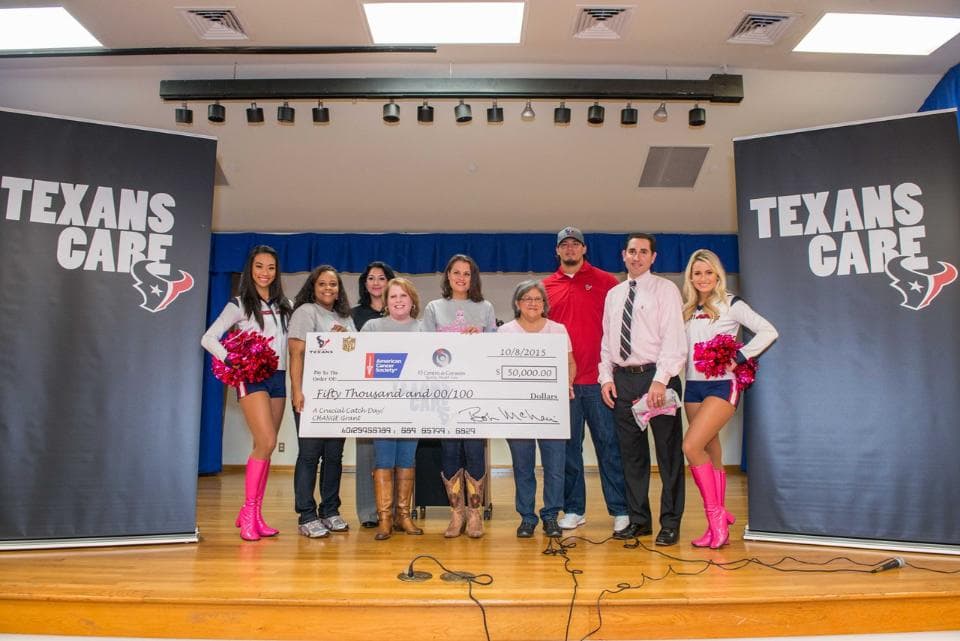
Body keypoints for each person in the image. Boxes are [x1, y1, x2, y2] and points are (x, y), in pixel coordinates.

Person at [681, 249, 778, 549]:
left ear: (718, 274)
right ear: (690, 277)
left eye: (708, 272)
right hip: (692, 388)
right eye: (697, 273)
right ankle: (715, 525)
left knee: (690, 446)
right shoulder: (685, 309)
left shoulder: (731, 303)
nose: (703, 278)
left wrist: (739, 355)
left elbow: (768, 331)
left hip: (722, 386)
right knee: (711, 453)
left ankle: (717, 517)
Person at [599, 233, 687, 546]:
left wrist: (661, 380)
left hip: (657, 380)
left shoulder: (665, 290)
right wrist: (605, 378)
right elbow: (608, 340)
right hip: (623, 380)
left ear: (653, 257)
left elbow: (675, 340)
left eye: (643, 252)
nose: (636, 257)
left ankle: (670, 523)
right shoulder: (614, 294)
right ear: (623, 255)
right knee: (631, 457)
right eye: (632, 251)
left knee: (668, 455)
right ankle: (639, 521)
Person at [201, 245, 292, 542]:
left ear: (276, 272)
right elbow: (208, 338)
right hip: (252, 378)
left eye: (270, 267)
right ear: (250, 270)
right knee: (266, 441)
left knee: (264, 445)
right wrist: (232, 360)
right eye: (259, 267)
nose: (265, 273)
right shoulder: (238, 305)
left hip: (278, 378)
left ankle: (254, 513)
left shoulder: (285, 305)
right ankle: (249, 513)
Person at [542, 227, 630, 534]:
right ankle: (575, 509)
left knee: (609, 446)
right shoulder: (545, 287)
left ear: (584, 249)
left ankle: (620, 509)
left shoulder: (607, 282)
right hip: (563, 384)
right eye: (564, 245)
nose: (569, 249)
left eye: (574, 244)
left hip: (600, 381)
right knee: (569, 450)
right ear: (557, 251)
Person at [421, 254, 497, 539]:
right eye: (456, 273)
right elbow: (425, 348)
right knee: (450, 450)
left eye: (467, 273)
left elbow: (494, 349)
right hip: (445, 392)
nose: (461, 278)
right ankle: (457, 514)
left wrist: (482, 336)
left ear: (473, 278)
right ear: (448, 276)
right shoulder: (434, 308)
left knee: (474, 450)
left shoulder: (485, 307)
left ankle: (475, 514)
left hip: (476, 391)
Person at [498, 280, 575, 538]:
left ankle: (551, 515)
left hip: (551, 408)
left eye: (538, 299)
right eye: (527, 298)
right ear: (517, 303)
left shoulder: (557, 330)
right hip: (516, 411)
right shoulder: (505, 332)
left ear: (545, 304)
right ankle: (527, 517)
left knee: (554, 466)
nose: (533, 303)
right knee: (523, 466)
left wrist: (566, 384)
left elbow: (570, 364)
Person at [288, 265, 355, 538]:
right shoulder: (305, 312)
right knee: (309, 455)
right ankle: (306, 514)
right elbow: (296, 353)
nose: (329, 289)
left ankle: (330, 510)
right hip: (311, 397)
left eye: (334, 284)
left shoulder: (345, 317)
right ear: (313, 288)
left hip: (337, 398)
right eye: (323, 284)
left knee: (333, 457)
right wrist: (296, 391)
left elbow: (353, 351)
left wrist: (344, 340)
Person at [361, 277, 424, 540]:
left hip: (413, 405)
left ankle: (403, 516)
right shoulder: (372, 326)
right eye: (393, 296)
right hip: (382, 406)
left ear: (412, 301)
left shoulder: (424, 328)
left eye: (404, 296)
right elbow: (359, 363)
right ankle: (384, 519)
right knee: (384, 460)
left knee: (407, 460)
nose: (399, 301)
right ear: (385, 302)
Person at [351, 261, 397, 529]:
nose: (377, 283)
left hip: (401, 394)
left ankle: (397, 513)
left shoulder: (401, 311)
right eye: (372, 278)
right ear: (365, 283)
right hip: (368, 392)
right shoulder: (354, 315)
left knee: (400, 455)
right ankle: (370, 512)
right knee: (367, 452)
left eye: (382, 278)